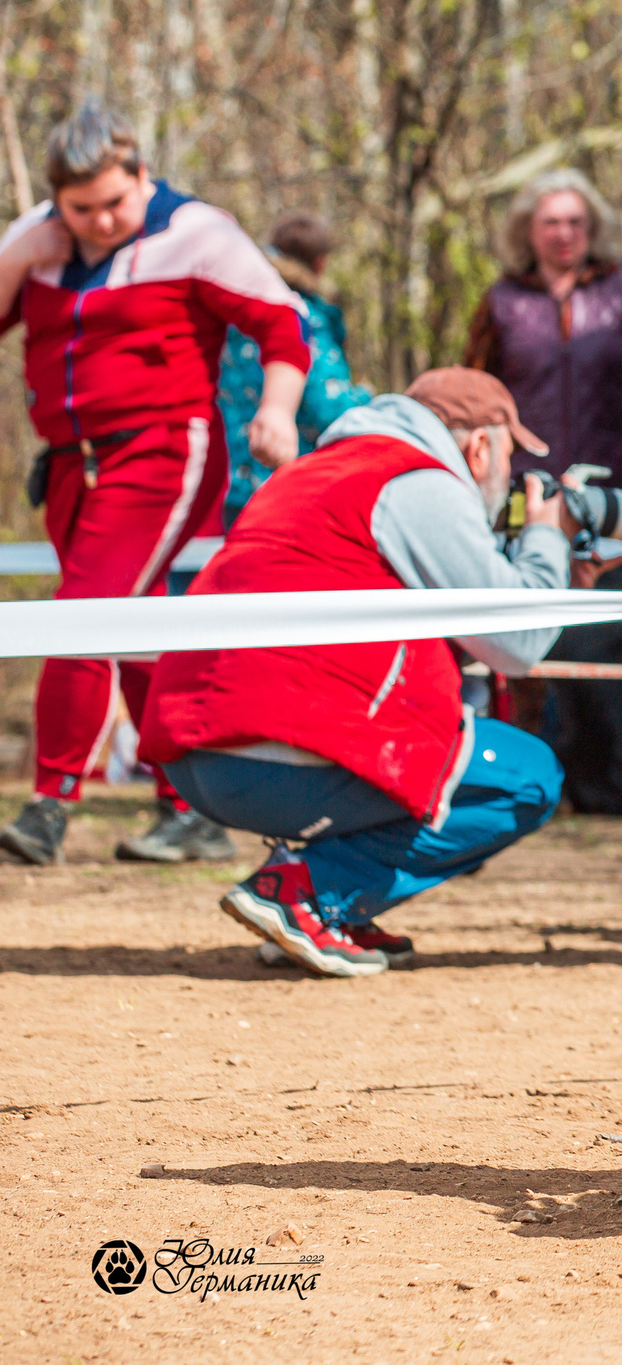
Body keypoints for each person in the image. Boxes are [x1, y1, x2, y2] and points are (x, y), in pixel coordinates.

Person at [138, 370, 589, 976]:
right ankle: (311, 896)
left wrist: (563, 579)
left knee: (458, 756)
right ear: (479, 447)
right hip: (273, 753)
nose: (510, 482)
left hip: (193, 754)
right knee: (526, 777)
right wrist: (545, 539)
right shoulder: (419, 481)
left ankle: (322, 908)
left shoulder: (315, 472)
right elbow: (517, 643)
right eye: (509, 460)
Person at [0, 101, 310, 870]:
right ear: (57, 200)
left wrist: (277, 409)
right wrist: (17, 256)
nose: (103, 221)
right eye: (83, 209)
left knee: (84, 614)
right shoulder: (38, 239)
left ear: (142, 175)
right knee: (134, 631)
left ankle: (49, 803)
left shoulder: (196, 232)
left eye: (116, 200)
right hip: (73, 462)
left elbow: (285, 322)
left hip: (166, 448)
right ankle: (189, 807)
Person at [464, 169, 622, 493]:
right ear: (528, 230)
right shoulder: (501, 302)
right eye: (551, 223)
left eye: (575, 222)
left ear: (592, 228)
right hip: (526, 484)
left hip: (614, 486)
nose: (564, 234)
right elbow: (474, 394)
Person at [213, 212, 373, 528]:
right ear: (320, 263)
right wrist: (369, 402)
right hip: (285, 485)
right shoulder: (304, 316)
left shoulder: (237, 313)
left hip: (231, 483)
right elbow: (327, 407)